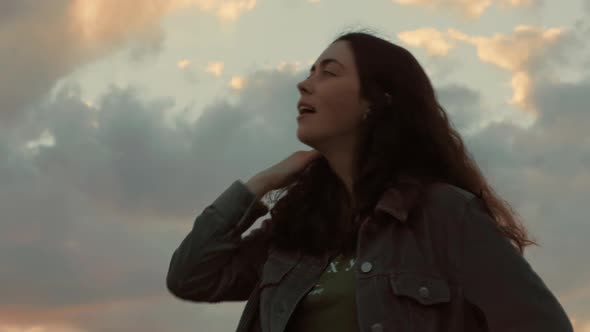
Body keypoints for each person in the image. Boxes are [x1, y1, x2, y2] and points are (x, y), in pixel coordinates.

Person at [166, 31, 574, 332]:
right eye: (311, 72)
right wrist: (260, 184)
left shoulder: (443, 214)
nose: (305, 83)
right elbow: (193, 277)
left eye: (329, 72)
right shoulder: (299, 225)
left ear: (376, 101)